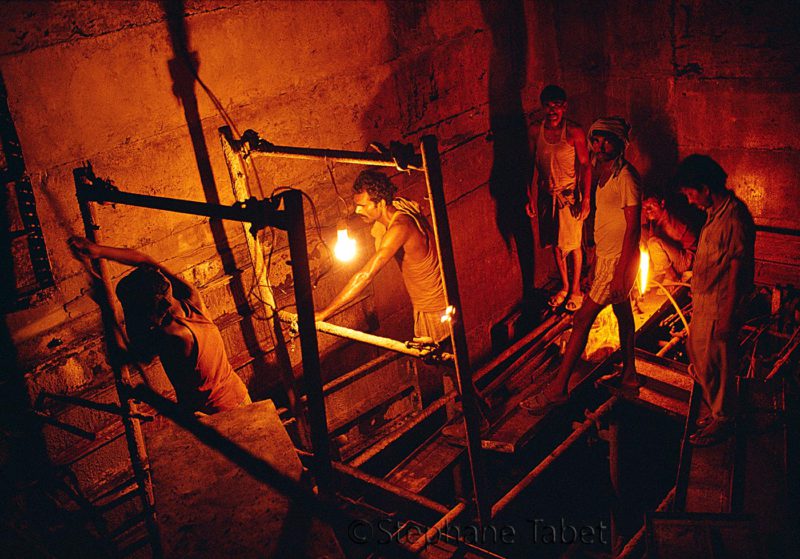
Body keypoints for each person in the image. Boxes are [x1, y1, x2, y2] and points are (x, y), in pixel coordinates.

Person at [522, 117, 641, 413]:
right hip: (608, 258)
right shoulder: (604, 172)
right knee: (623, 314)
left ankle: (558, 389)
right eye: (596, 140)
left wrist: (621, 272)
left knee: (582, 319)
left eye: (606, 140)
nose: (599, 146)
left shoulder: (627, 178)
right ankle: (630, 374)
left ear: (620, 144)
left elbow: (633, 229)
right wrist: (596, 260)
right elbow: (605, 221)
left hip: (618, 261)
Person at [69, 237, 251, 415]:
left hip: (217, 413)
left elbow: (121, 356)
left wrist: (106, 307)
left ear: (152, 312)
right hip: (238, 394)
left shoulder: (173, 336)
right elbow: (145, 260)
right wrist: (99, 251)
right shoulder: (192, 299)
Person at [674, 155, 755, 446]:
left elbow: (737, 268)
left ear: (706, 188)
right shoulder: (716, 213)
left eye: (690, 193)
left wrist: (728, 313)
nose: (690, 200)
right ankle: (718, 411)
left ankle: (723, 420)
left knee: (716, 363)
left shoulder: (734, 218)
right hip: (706, 300)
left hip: (720, 303)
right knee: (700, 356)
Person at [315, 169, 449, 345]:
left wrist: (325, 313)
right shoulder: (399, 207)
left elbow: (365, 275)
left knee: (442, 363)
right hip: (432, 304)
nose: (357, 210)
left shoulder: (400, 229)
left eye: (363, 205)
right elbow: (371, 218)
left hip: (435, 311)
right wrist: (343, 226)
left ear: (381, 203)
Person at [527, 85, 592, 312]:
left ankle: (576, 289)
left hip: (568, 196)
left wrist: (586, 199)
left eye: (556, 105)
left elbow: (585, 165)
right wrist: (529, 195)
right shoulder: (536, 130)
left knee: (573, 244)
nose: (552, 110)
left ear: (564, 107)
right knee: (556, 242)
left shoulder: (574, 132)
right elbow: (529, 164)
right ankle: (564, 286)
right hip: (547, 196)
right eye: (547, 105)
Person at [641, 192, 698, 284]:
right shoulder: (654, 220)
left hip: (688, 260)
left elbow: (685, 244)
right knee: (642, 234)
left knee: (654, 243)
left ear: (662, 204)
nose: (648, 210)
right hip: (676, 257)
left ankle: (672, 277)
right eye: (644, 207)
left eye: (652, 206)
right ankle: (660, 273)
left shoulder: (669, 222)